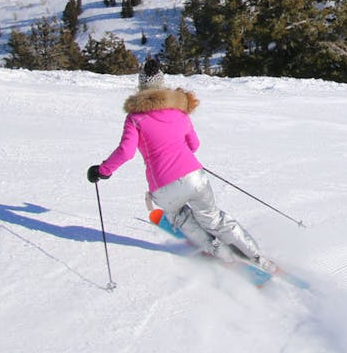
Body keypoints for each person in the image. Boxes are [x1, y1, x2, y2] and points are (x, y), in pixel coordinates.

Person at [87, 57, 275, 272]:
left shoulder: (135, 118)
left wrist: (102, 171)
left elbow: (126, 151)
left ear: (140, 87)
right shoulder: (179, 111)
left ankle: (222, 255)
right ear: (163, 86)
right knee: (215, 219)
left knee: (181, 219)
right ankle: (258, 257)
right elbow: (194, 145)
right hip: (194, 177)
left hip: (163, 186)